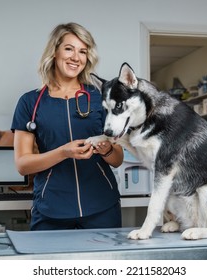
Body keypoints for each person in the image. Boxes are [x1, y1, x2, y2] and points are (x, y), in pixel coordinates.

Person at [11, 22, 123, 231]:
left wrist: (107, 149)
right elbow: (22, 165)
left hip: (102, 207)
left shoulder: (100, 98)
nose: (76, 57)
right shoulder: (30, 102)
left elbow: (117, 159)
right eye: (69, 48)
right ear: (55, 51)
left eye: (83, 51)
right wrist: (63, 152)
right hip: (51, 210)